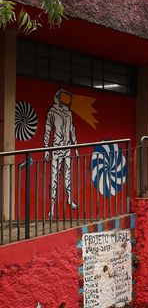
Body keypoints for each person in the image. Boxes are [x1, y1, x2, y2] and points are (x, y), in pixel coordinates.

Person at [44, 88, 78, 217]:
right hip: (56, 149)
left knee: (68, 175)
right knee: (55, 177)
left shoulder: (68, 114)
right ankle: (52, 206)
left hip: (67, 148)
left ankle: (69, 198)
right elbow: (47, 130)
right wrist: (46, 148)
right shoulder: (52, 112)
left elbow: (72, 129)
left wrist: (75, 146)